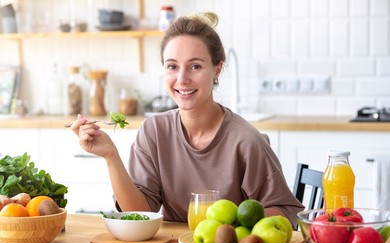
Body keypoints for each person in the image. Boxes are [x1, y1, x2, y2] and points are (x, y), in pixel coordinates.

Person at [70, 12, 304, 228]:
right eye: (172, 66)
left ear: (217, 70)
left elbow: (286, 212)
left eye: (195, 66)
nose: (182, 79)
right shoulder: (154, 131)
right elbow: (140, 214)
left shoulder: (245, 141)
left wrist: (229, 228)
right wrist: (111, 156)